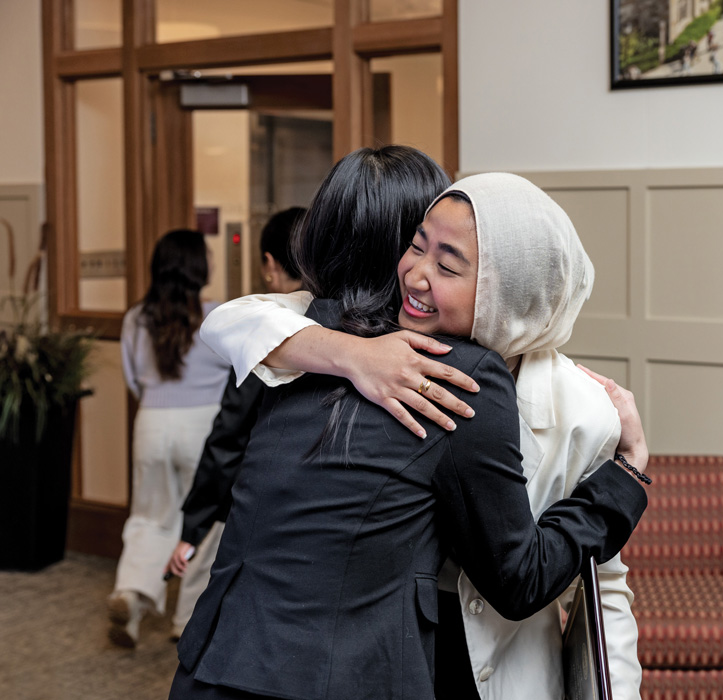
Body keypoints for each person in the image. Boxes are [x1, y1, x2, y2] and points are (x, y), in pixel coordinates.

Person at [170, 149, 649, 700]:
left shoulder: (582, 406)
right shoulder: (329, 338)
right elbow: (234, 320)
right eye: (415, 245)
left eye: (447, 265)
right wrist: (351, 355)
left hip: (471, 666)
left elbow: (601, 587)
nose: (416, 273)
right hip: (359, 662)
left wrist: (626, 475)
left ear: (509, 292)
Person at [163, 207, 309, 640]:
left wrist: (194, 526)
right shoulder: (358, 324)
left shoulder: (262, 328)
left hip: (263, 503)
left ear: (269, 263)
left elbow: (228, 438)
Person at [110, 229, 231, 648]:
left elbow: (132, 379)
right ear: (198, 267)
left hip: (151, 423)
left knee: (149, 517)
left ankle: (130, 596)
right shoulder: (216, 318)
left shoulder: (135, 318)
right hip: (202, 426)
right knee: (206, 524)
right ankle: (187, 619)